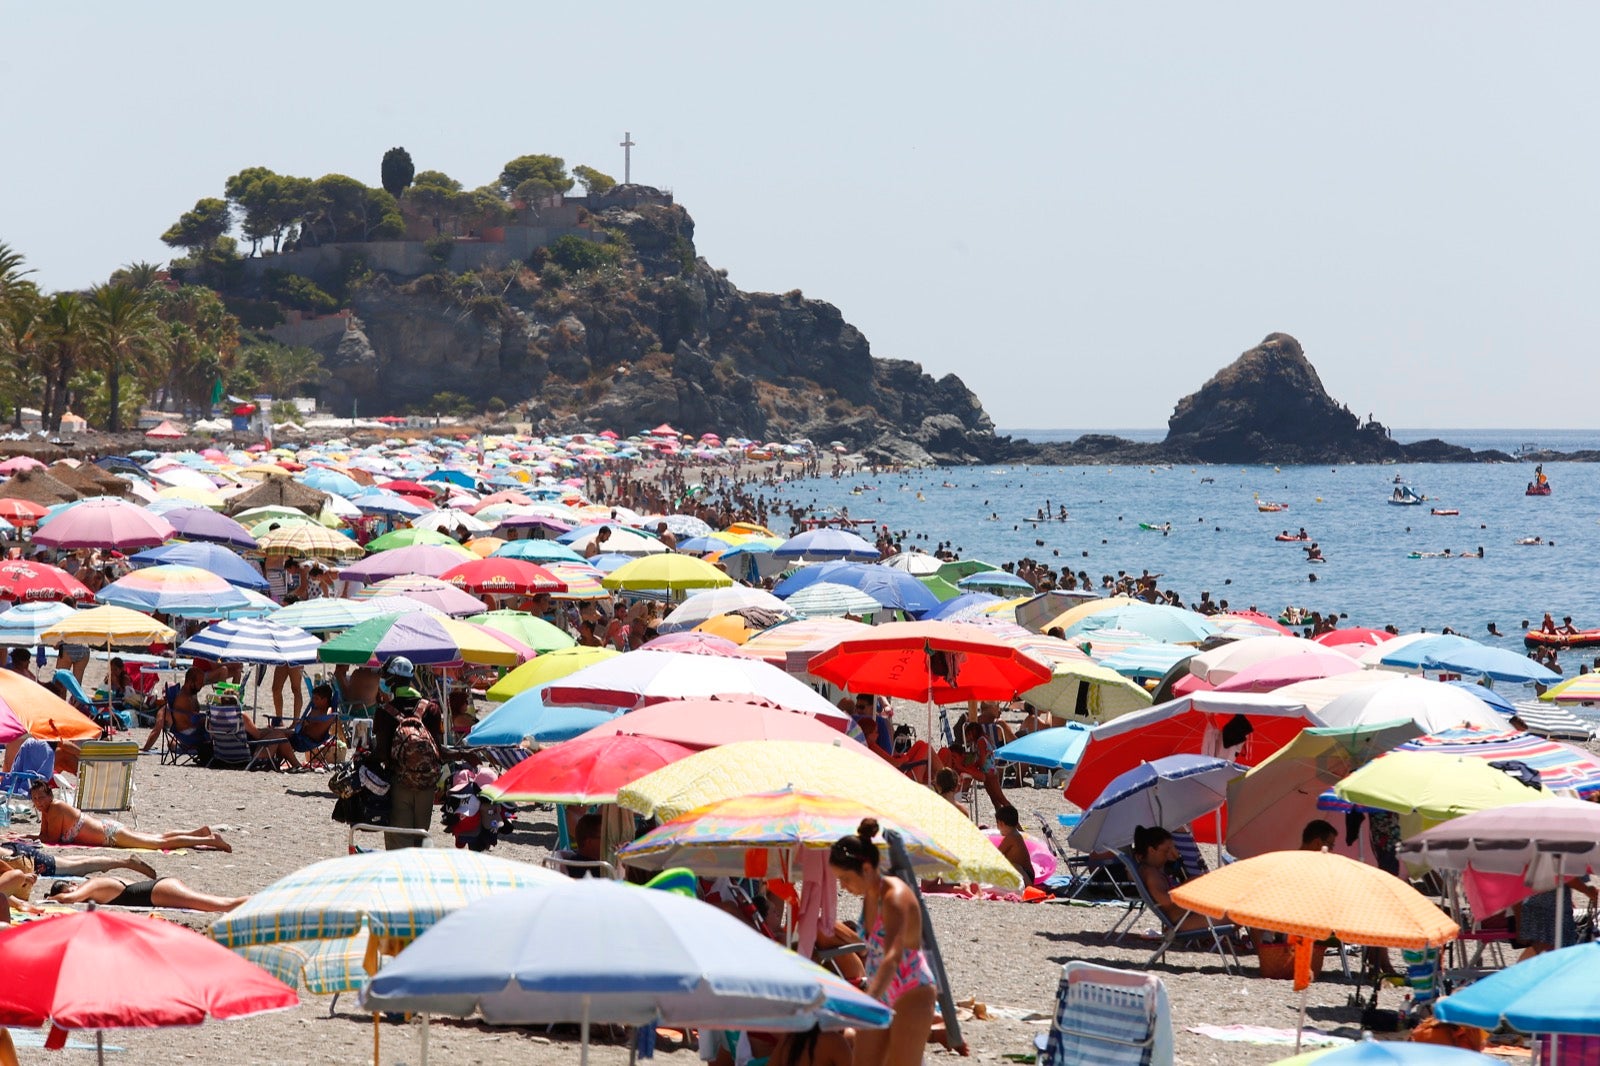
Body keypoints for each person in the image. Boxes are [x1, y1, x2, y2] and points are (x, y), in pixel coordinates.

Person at [829, 820, 938, 1066]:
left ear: (866, 869)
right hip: (881, 990)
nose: (843, 886)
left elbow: (892, 956)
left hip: (912, 990)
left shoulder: (894, 897)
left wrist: (867, 999)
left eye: (845, 878)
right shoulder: (870, 895)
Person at [29, 779, 230, 851]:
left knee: (158, 843)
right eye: (35, 799)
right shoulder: (49, 810)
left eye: (41, 798)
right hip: (108, 829)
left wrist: (31, 838)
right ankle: (198, 833)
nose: (38, 802)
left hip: (110, 835)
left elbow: (50, 839)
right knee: (157, 837)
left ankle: (211, 841)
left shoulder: (55, 809)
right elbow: (44, 836)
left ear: (50, 794)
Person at [371, 657, 442, 849]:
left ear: (392, 680)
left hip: (399, 783)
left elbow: (382, 754)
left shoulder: (385, 712)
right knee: (421, 840)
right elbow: (439, 749)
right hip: (427, 785)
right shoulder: (431, 708)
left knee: (399, 843)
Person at [1132, 826, 1209, 931]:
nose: (1168, 855)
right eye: (1166, 850)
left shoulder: (1154, 871)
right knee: (1235, 913)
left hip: (1187, 917)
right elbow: (1165, 900)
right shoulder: (1150, 873)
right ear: (1151, 850)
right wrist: (1190, 883)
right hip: (1183, 921)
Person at [44, 875, 247, 912]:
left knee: (223, 905)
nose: (73, 892)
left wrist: (52, 899)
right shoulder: (97, 885)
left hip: (158, 891)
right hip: (159, 889)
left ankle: (272, 902)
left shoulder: (93, 884)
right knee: (222, 904)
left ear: (73, 883)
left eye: (70, 888)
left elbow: (70, 898)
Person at [994, 805, 1035, 887]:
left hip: (1026, 875)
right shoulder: (1015, 834)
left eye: (997, 823)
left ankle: (1028, 887)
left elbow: (997, 854)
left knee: (1015, 866)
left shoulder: (1012, 837)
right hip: (1027, 873)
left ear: (1001, 823)